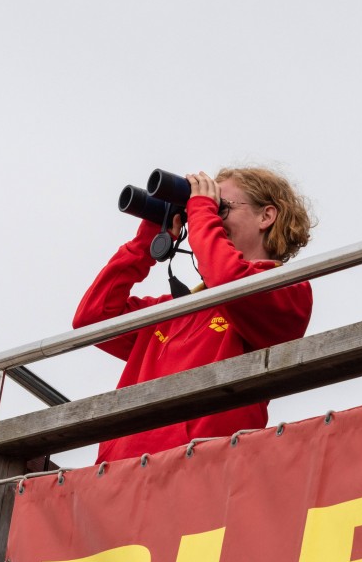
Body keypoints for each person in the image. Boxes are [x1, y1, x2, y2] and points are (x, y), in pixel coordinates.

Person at [74, 167, 314, 464]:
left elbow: (230, 280)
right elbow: (92, 318)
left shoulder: (286, 290)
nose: (210, 216)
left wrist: (200, 210)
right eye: (209, 207)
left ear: (266, 216)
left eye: (220, 207)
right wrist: (146, 242)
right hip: (123, 477)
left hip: (202, 473)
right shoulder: (175, 311)